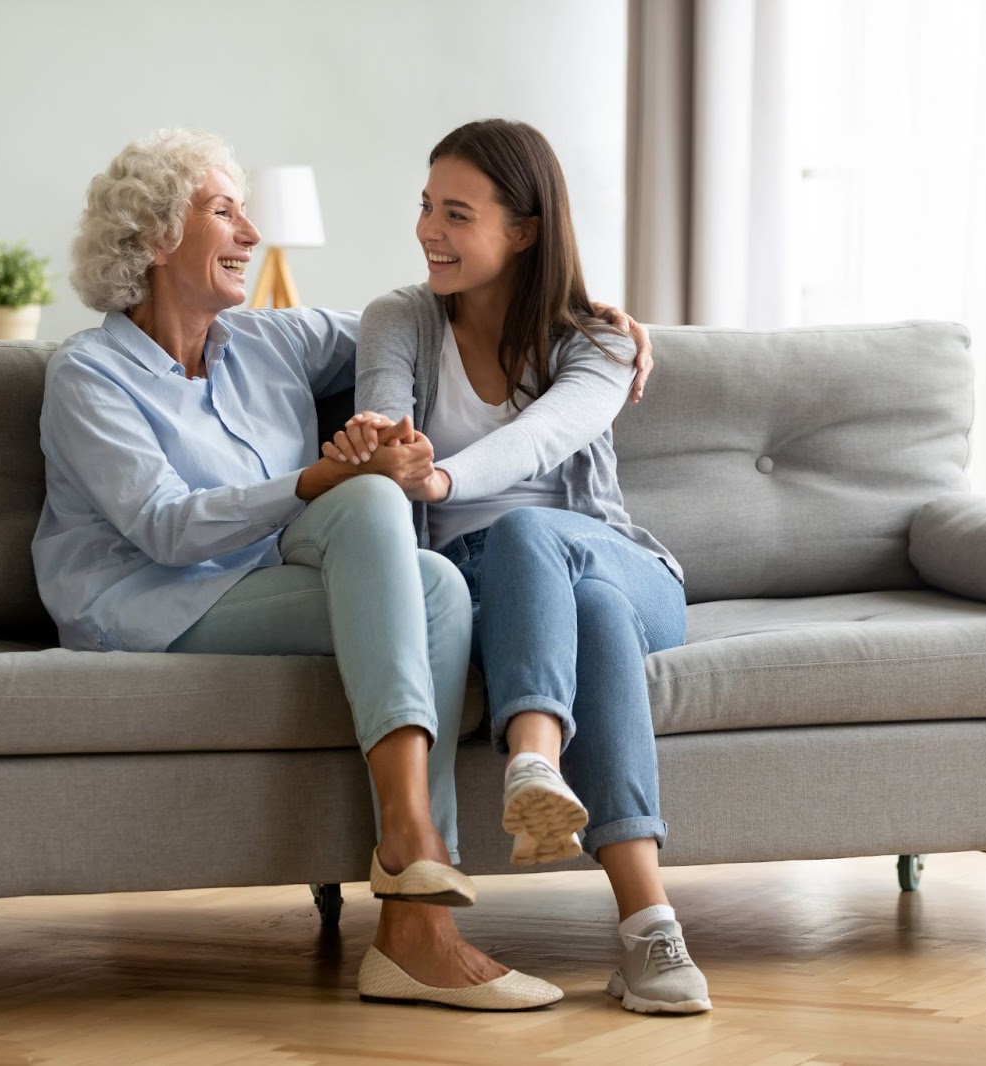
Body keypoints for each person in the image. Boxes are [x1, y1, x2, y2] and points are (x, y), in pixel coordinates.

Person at [33, 129, 647, 1012]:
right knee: (356, 500)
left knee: (422, 567)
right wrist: (314, 479)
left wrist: (603, 329)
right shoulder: (88, 375)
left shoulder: (271, 342)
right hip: (150, 605)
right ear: (156, 238)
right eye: (224, 212)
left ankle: (412, 901)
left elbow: (431, 321)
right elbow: (164, 529)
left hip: (270, 579)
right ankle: (414, 866)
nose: (250, 232)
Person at [326, 119, 711, 1015]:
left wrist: (445, 473)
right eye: (425, 207)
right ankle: (650, 930)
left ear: (524, 230)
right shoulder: (398, 319)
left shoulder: (602, 344)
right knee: (591, 615)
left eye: (456, 214)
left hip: (623, 564)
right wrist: (388, 449)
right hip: (487, 586)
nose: (429, 230)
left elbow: (544, 442)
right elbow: (386, 428)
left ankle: (534, 758)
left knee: (543, 540)